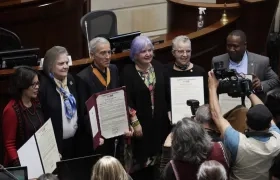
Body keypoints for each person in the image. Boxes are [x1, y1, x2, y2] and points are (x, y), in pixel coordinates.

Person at [208, 69, 280, 180]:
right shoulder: (277, 140)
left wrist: (212, 87)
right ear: (269, 125)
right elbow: (265, 111)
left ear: (247, 123)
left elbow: (216, 116)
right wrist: (249, 92)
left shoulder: (238, 142)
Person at [121, 36, 170, 179]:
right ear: (135, 54)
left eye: (150, 50)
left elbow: (166, 93)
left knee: (159, 166)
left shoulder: (159, 66)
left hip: (159, 123)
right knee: (142, 169)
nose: (148, 54)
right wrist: (135, 122)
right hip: (140, 126)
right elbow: (126, 99)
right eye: (143, 51)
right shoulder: (127, 71)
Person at [77, 37, 132, 159]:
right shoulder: (83, 78)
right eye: (103, 53)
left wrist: (126, 124)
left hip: (115, 128)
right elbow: (84, 113)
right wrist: (95, 135)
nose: (107, 56)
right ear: (92, 55)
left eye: (109, 52)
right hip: (99, 135)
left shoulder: (113, 69)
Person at [212, 30, 280, 101]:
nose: (231, 49)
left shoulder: (261, 61)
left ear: (245, 45)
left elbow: (275, 79)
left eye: (235, 46)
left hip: (252, 106)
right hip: (225, 104)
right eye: (229, 46)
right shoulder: (217, 61)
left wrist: (260, 85)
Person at [39, 46, 81, 159]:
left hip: (74, 143)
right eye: (61, 63)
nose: (66, 67)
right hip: (56, 146)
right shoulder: (43, 86)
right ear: (50, 66)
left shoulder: (71, 79)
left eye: (67, 63)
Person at [161, 118, 229, 180]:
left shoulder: (174, 168)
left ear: (176, 143)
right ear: (203, 133)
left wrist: (166, 150)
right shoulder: (221, 149)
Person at [2, 66, 43, 167]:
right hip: (21, 165)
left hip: (37, 159)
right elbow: (9, 144)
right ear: (23, 86)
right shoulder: (11, 110)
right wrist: (21, 166)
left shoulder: (36, 102)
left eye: (38, 83)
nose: (37, 87)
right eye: (33, 84)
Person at [164, 35, 208, 120]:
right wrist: (168, 111)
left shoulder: (199, 71)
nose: (185, 55)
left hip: (197, 120)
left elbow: (206, 99)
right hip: (173, 120)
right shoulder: (165, 72)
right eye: (180, 51)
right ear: (173, 53)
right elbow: (163, 99)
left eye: (188, 51)